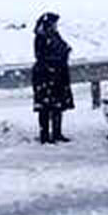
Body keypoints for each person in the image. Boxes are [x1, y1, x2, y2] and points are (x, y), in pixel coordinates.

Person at [32, 12, 74, 143]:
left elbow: (65, 48)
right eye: (54, 24)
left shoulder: (54, 35)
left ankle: (57, 133)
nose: (56, 26)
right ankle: (44, 135)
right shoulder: (41, 37)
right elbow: (41, 56)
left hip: (58, 75)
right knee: (45, 107)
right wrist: (56, 61)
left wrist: (63, 54)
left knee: (57, 106)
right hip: (45, 76)